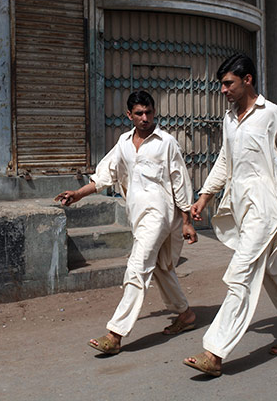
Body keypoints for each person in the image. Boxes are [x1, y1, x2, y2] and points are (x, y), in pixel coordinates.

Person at [182, 53, 277, 377]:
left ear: (247, 80)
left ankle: (215, 352)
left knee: (240, 274)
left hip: (268, 207)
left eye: (228, 83)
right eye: (221, 84)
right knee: (274, 269)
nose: (223, 90)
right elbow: (224, 161)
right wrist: (204, 197)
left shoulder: (271, 114)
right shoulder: (230, 119)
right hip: (243, 209)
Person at [56, 90, 198, 355]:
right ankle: (186, 314)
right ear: (129, 115)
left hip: (161, 215)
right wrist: (77, 194)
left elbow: (180, 182)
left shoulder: (166, 142)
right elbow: (103, 176)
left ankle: (116, 333)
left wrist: (186, 220)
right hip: (138, 215)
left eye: (149, 112)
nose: (145, 118)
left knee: (137, 266)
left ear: (154, 112)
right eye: (139, 113)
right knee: (161, 268)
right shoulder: (123, 143)